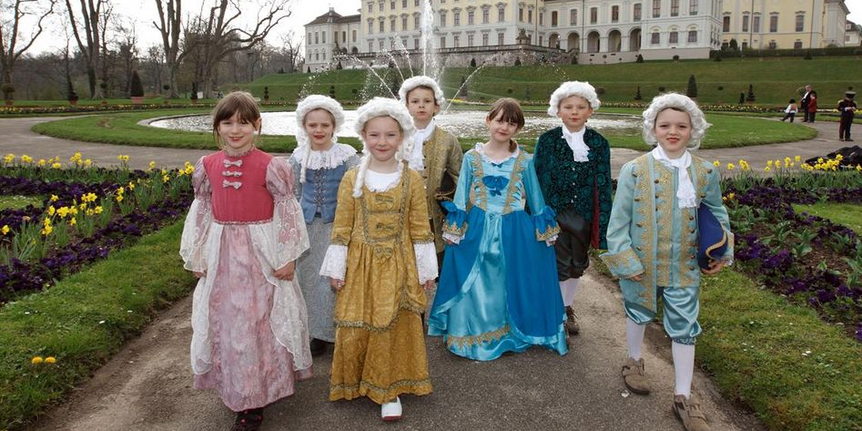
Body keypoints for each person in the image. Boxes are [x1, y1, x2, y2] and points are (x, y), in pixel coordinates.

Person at [600, 93, 733, 431]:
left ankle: (684, 396)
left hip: (684, 265)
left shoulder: (704, 171)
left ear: (693, 130)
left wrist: (722, 250)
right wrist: (626, 259)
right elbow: (618, 221)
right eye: (665, 125)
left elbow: (717, 212)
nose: (673, 131)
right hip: (642, 262)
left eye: (681, 126)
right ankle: (633, 361)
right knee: (637, 310)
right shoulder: (635, 169)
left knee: (685, 328)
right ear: (653, 129)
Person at [180, 91, 312, 431]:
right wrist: (197, 252)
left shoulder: (272, 167)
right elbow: (202, 214)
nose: (235, 129)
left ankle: (259, 392)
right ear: (217, 127)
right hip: (223, 254)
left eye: (243, 122)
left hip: (261, 255)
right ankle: (240, 391)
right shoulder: (208, 166)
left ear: (257, 125)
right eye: (227, 123)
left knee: (259, 322)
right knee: (230, 324)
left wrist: (287, 257)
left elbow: (287, 215)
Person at [319, 97, 437, 421]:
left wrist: (426, 269)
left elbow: (418, 226)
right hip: (359, 265)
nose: (382, 142)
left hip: (398, 262)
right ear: (363, 136)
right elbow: (342, 225)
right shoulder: (351, 178)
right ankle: (355, 380)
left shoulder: (411, 179)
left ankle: (389, 389)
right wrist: (337, 266)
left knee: (391, 323)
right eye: (374, 135)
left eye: (389, 135)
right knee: (358, 321)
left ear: (401, 138)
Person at [428, 98, 568, 361]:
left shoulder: (524, 160)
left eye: (512, 123)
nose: (505, 127)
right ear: (488, 120)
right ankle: (473, 331)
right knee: (478, 279)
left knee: (508, 279)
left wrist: (544, 231)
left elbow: (536, 199)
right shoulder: (472, 157)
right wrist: (456, 228)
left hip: (514, 227)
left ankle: (508, 329)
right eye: (500, 120)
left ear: (518, 128)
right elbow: (460, 198)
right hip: (479, 224)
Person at [534, 81, 613, 337]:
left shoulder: (599, 143)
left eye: (581, 107)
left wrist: (602, 223)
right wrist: (536, 215)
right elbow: (538, 178)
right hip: (553, 212)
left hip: (583, 214)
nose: (574, 112)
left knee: (576, 263)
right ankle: (556, 310)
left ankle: (568, 306)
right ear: (558, 110)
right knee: (557, 264)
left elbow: (602, 183)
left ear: (591, 110)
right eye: (568, 107)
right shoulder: (546, 141)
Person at [288, 95, 360, 356]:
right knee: (308, 279)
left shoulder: (346, 156)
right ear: (304, 127)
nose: (318, 131)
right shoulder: (298, 157)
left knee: (332, 281)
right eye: (312, 125)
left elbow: (356, 190)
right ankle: (314, 333)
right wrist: (292, 226)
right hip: (307, 228)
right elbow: (293, 193)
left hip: (335, 228)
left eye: (324, 126)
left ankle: (334, 331)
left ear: (334, 127)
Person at [398, 76, 463, 264]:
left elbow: (459, 177)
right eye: (415, 101)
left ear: (436, 106)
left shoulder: (448, 140)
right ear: (407, 106)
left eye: (427, 101)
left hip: (436, 215)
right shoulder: (397, 137)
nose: (421, 106)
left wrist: (458, 211)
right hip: (403, 212)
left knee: (435, 261)